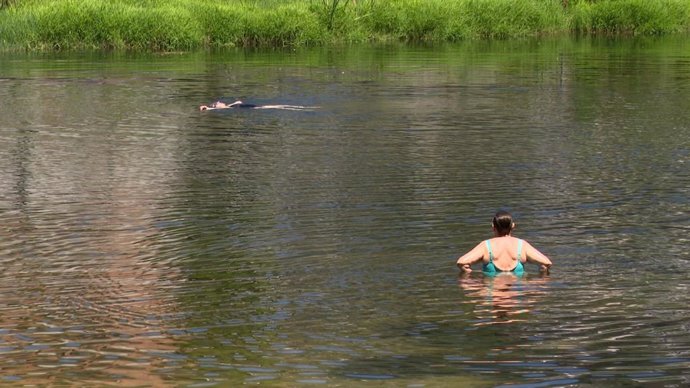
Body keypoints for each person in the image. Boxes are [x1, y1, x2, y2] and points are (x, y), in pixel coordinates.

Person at [456, 211, 552, 275]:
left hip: (492, 293)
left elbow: (462, 262)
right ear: (513, 226)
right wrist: (539, 280)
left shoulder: (486, 245)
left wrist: (472, 281)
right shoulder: (522, 245)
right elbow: (546, 263)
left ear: (493, 227)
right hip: (516, 295)